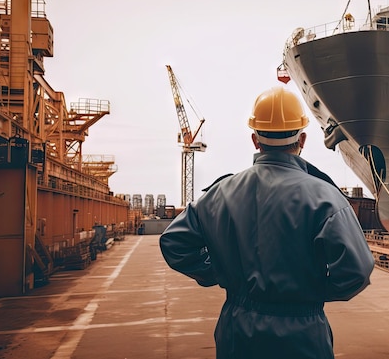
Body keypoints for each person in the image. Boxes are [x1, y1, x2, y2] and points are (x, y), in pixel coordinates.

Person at [159, 86, 375, 359]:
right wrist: (313, 292)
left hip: (238, 333)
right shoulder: (326, 198)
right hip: (303, 335)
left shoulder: (220, 193)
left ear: (255, 139)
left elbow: (173, 243)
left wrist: (215, 272)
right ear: (303, 138)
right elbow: (357, 271)